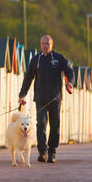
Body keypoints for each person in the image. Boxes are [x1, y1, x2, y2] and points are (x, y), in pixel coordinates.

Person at [18, 35, 74, 163]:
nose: (45, 46)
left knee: (55, 126)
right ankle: (42, 152)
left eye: (47, 43)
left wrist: (69, 82)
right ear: (40, 44)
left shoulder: (59, 58)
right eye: (42, 43)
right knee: (41, 124)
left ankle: (52, 152)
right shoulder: (36, 60)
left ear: (52, 44)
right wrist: (22, 94)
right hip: (40, 99)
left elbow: (69, 71)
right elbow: (28, 78)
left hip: (55, 98)